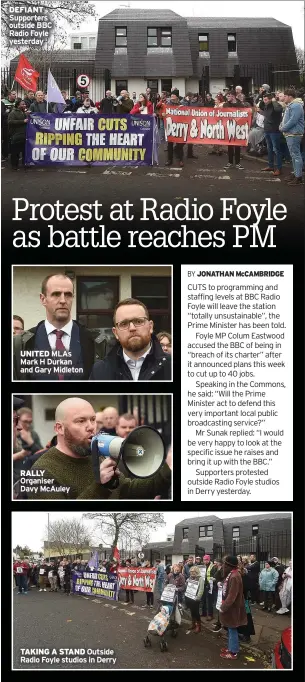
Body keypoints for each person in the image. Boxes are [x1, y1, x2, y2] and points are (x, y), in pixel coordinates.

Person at [25, 397, 172, 499]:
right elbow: (68, 521)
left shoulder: (95, 454)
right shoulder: (43, 472)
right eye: (81, 421)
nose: (91, 427)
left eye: (93, 419)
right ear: (60, 428)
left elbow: (129, 490)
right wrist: (100, 486)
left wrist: (168, 470)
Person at [13, 273, 104, 380]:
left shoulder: (95, 341)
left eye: (68, 295)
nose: (63, 300)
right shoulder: (22, 344)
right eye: (56, 294)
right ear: (43, 299)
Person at [90, 298, 171, 380]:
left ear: (150, 327)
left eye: (138, 321)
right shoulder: (100, 371)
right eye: (124, 324)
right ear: (115, 333)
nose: (132, 328)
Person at [218, 555, 247, 660]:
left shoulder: (235, 576)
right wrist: (221, 584)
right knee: (230, 629)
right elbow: (228, 587)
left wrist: (223, 607)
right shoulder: (232, 574)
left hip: (233, 609)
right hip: (231, 608)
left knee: (232, 629)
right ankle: (231, 648)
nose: (223, 565)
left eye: (225, 563)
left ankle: (233, 652)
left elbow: (232, 595)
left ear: (229, 565)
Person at [280, 88, 304, 185]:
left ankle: (298, 177)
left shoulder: (296, 106)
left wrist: (283, 128)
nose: (284, 98)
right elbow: (287, 118)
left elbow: (293, 120)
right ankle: (296, 173)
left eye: (285, 96)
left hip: (294, 133)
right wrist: (282, 125)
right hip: (291, 133)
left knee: (296, 155)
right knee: (294, 156)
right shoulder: (291, 105)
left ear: (290, 96)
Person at [259, 92, 284, 176]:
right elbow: (260, 105)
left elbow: (278, 110)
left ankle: (279, 168)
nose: (264, 101)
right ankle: (270, 166)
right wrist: (262, 95)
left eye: (266, 100)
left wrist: (273, 101)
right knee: (269, 148)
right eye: (264, 100)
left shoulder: (276, 105)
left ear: (270, 99)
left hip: (274, 130)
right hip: (267, 130)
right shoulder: (266, 106)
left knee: (276, 150)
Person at [223, 91, 245, 170]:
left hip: (238, 127)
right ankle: (230, 162)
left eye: (229, 96)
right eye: (227, 96)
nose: (227, 98)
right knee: (230, 146)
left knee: (237, 146)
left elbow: (244, 115)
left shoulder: (240, 105)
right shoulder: (226, 104)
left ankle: (238, 163)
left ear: (233, 96)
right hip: (229, 127)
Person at [237, 559, 255, 643]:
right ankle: (240, 632)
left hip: (244, 600)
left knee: (247, 616)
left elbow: (249, 586)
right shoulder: (236, 575)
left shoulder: (245, 576)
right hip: (238, 600)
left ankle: (247, 635)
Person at [8, 99, 28, 170]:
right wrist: (22, 121)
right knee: (15, 151)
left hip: (23, 134)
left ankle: (24, 163)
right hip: (16, 135)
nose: (24, 105)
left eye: (24, 104)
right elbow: (10, 122)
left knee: (24, 150)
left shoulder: (24, 112)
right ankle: (14, 165)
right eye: (22, 104)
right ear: (18, 105)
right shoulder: (13, 113)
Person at [165, 90, 184, 167]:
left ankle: (181, 159)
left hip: (179, 126)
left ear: (177, 96)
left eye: (173, 95)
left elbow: (185, 114)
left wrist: (181, 109)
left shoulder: (181, 104)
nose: (172, 97)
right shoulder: (168, 104)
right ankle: (169, 159)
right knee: (170, 144)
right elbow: (164, 112)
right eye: (171, 96)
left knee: (179, 144)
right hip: (170, 125)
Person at [185, 565, 205, 633]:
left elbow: (201, 589)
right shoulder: (190, 578)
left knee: (196, 612)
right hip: (190, 597)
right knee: (192, 611)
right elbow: (187, 587)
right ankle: (193, 624)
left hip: (196, 598)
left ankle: (198, 626)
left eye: (193, 572)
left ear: (196, 572)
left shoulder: (200, 578)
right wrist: (187, 582)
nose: (192, 574)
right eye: (191, 572)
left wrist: (198, 597)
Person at [200, 554, 214, 620]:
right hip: (203, 584)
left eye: (206, 560)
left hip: (209, 585)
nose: (205, 561)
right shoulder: (202, 566)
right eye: (204, 560)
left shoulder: (212, 566)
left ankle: (210, 615)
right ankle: (204, 613)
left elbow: (213, 576)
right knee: (203, 600)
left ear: (209, 560)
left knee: (209, 601)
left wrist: (209, 584)